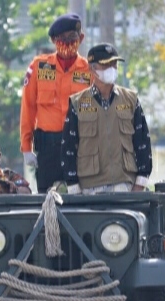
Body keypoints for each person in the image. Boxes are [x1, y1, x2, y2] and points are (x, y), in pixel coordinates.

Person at [60, 43, 152, 195]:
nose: (112, 68)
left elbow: (143, 143)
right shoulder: (78, 103)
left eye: (114, 64)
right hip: (89, 189)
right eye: (106, 65)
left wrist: (140, 184)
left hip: (124, 185)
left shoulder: (130, 100)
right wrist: (73, 188)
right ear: (92, 69)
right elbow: (68, 147)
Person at [20, 13, 92, 193]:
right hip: (48, 148)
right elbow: (28, 107)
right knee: (47, 201)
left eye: (72, 38)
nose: (67, 44)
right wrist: (26, 147)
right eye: (62, 39)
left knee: (79, 199)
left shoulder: (89, 70)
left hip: (79, 147)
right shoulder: (39, 67)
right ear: (53, 40)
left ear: (81, 38)